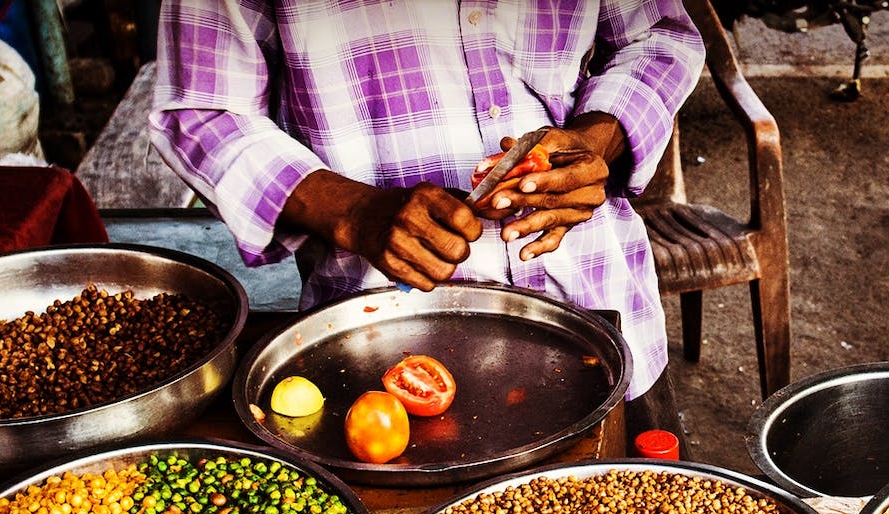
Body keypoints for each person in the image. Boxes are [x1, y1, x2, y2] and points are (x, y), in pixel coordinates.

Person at [148, 1, 705, 400]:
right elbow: (202, 109)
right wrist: (354, 210)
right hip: (380, 344)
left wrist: (596, 139)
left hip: (598, 295)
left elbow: (658, 36)